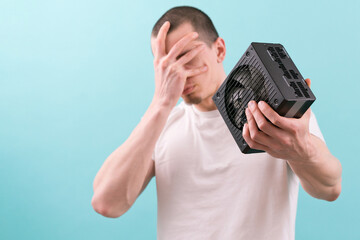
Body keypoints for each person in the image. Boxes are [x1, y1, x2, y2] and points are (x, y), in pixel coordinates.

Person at [91, 6, 342, 240]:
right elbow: (106, 203)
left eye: (186, 56)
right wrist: (160, 104)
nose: (179, 72)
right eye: (167, 64)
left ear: (219, 50)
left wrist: (301, 151)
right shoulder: (160, 125)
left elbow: (330, 187)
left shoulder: (275, 118)